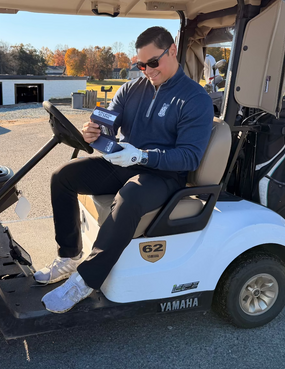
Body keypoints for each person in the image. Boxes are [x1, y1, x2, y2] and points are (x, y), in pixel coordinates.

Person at [36, 26, 214, 313]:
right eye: (141, 65)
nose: (147, 70)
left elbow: (190, 157)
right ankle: (69, 257)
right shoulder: (132, 88)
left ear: (172, 51)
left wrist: (142, 156)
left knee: (130, 197)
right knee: (63, 176)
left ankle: (86, 280)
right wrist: (93, 131)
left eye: (153, 62)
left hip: (164, 175)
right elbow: (108, 123)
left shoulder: (195, 99)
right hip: (125, 161)